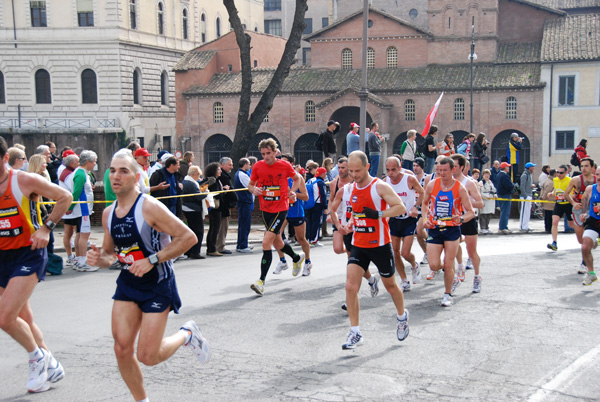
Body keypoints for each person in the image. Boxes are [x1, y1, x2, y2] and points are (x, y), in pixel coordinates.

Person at [86, 151, 210, 402]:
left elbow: (188, 237)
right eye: (112, 170)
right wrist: (100, 260)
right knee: (121, 349)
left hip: (158, 284)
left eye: (123, 171)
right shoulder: (109, 213)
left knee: (148, 356)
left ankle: (187, 334)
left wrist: (153, 259)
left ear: (136, 177)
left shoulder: (150, 207)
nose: (115, 176)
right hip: (128, 284)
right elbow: (111, 254)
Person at [0, 136, 73, 393]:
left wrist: (46, 228)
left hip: (28, 252)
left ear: (5, 159)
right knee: (23, 318)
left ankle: (37, 358)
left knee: (4, 316)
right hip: (2, 257)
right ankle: (50, 362)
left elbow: (65, 196)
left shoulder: (23, 180)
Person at [340, 151, 409, 349]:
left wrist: (379, 213)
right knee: (350, 286)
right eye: (351, 171)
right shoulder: (350, 188)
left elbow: (400, 207)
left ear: (367, 166)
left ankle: (402, 316)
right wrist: (350, 224)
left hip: (380, 245)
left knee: (390, 286)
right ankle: (355, 333)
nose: (354, 174)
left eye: (357, 170)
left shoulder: (379, 186)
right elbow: (355, 213)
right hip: (359, 244)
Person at [247, 138, 304, 295]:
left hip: (281, 208)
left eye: (269, 153)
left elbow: (297, 178)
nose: (266, 157)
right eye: (263, 154)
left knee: (266, 242)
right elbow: (250, 184)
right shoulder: (258, 166)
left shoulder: (284, 165)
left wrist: (293, 190)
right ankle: (296, 258)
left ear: (275, 152)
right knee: (278, 242)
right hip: (266, 208)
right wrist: (253, 190)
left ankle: (260, 282)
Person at [422, 157, 475, 306]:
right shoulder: (432, 185)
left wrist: (462, 219)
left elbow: (470, 212)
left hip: (452, 229)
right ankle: (452, 277)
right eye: (439, 170)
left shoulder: (460, 188)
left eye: (445, 170)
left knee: (448, 263)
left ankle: (447, 294)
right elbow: (424, 203)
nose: (442, 173)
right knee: (433, 265)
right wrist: (425, 218)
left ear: (453, 170)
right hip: (434, 228)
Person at [385, 156, 424, 292]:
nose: (391, 173)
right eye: (388, 170)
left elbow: (423, 192)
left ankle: (414, 265)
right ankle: (404, 280)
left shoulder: (409, 179)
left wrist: (416, 207)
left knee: (405, 253)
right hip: (395, 219)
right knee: (395, 252)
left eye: (393, 169)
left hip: (409, 218)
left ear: (400, 168)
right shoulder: (385, 182)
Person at [273, 154, 313, 276]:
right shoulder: (278, 176)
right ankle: (283, 260)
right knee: (275, 235)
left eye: (285, 162)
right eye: (281, 161)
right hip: (282, 211)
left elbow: (306, 196)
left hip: (295, 211)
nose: (282, 164)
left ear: (290, 164)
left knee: (301, 239)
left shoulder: (298, 177)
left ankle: (307, 262)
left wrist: (293, 194)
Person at [450, 154, 484, 293]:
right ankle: (455, 275)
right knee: (450, 250)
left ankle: (477, 276)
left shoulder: (469, 183)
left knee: (471, 251)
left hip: (468, 219)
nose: (452, 168)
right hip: (452, 220)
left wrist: (464, 203)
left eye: (455, 166)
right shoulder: (445, 182)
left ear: (462, 167)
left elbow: (480, 203)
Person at [565, 158, 596, 273]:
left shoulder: (596, 180)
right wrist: (573, 203)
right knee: (580, 239)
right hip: (578, 211)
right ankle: (591, 244)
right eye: (582, 166)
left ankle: (584, 263)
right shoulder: (576, 180)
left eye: (586, 166)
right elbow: (565, 194)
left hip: (592, 212)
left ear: (592, 167)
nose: (583, 168)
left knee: (586, 240)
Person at [70, 150, 98, 272]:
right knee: (84, 235)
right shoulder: (81, 173)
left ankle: (79, 259)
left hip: (83, 209)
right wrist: (70, 207)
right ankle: (82, 260)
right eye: (94, 162)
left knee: (80, 234)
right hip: (83, 209)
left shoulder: (82, 173)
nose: (95, 164)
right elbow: (76, 192)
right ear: (88, 162)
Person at [578, 168, 600, 286]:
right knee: (585, 247)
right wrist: (584, 213)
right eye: (597, 174)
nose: (599, 177)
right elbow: (585, 199)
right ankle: (591, 273)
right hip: (594, 221)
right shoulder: (591, 188)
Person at [182, 165, 208, 259]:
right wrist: (205, 193)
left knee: (192, 230)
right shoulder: (191, 183)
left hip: (188, 208)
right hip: (193, 209)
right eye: (198, 175)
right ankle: (195, 252)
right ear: (194, 174)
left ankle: (189, 251)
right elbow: (197, 196)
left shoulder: (187, 181)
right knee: (198, 231)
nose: (199, 178)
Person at [59, 153, 80, 268]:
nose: (79, 164)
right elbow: (73, 190)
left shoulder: (66, 172)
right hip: (70, 207)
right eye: (77, 162)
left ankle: (71, 256)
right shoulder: (69, 175)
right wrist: (70, 207)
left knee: (69, 232)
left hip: (67, 206)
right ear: (72, 163)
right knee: (73, 232)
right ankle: (73, 257)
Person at [547, 165, 573, 251]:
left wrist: (568, 197)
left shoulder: (570, 180)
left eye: (561, 173)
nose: (559, 174)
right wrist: (552, 193)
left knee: (572, 224)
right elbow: (556, 189)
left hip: (568, 204)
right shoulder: (555, 179)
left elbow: (574, 193)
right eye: (557, 172)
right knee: (554, 222)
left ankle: (587, 236)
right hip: (559, 204)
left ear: (566, 173)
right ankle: (554, 243)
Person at [216, 157, 237, 255]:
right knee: (223, 227)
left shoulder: (224, 176)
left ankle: (219, 245)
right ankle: (220, 246)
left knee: (222, 226)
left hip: (223, 205)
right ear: (223, 165)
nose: (231, 167)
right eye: (230, 165)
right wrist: (235, 197)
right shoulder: (223, 177)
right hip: (224, 205)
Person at [234, 158, 254, 253]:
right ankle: (242, 245)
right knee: (244, 224)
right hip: (244, 202)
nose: (250, 166)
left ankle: (243, 243)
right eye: (249, 164)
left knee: (244, 223)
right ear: (245, 164)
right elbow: (251, 187)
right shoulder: (242, 175)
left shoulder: (241, 174)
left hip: (245, 202)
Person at [204, 162, 224, 257]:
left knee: (213, 228)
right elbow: (215, 193)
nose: (220, 171)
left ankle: (211, 248)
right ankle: (211, 249)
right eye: (219, 169)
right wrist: (223, 191)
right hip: (215, 206)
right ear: (214, 171)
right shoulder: (213, 180)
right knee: (214, 228)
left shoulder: (214, 180)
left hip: (214, 207)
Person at [305, 167, 328, 246]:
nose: (325, 175)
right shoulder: (321, 183)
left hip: (308, 204)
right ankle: (314, 240)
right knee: (317, 223)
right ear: (322, 173)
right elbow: (323, 196)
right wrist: (325, 207)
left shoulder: (310, 180)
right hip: (317, 205)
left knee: (309, 222)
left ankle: (307, 239)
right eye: (325, 173)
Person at [495, 162, 514, 234]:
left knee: (504, 211)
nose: (508, 168)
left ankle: (504, 226)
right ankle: (503, 227)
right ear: (505, 168)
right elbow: (508, 185)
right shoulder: (504, 176)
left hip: (500, 194)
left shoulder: (499, 175)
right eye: (508, 167)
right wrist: (513, 186)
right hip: (505, 195)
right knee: (505, 212)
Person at [519, 162, 536, 232]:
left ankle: (526, 226)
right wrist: (525, 196)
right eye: (532, 166)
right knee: (524, 212)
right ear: (529, 167)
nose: (533, 168)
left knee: (527, 212)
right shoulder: (525, 175)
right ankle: (522, 227)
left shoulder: (529, 175)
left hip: (528, 195)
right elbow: (522, 187)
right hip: (525, 196)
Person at [479, 169, 497, 234]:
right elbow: (480, 192)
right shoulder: (481, 183)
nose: (487, 176)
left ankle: (487, 227)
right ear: (483, 175)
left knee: (489, 214)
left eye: (488, 174)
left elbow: (494, 190)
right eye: (485, 174)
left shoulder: (490, 182)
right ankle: (482, 228)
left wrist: (495, 195)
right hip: (485, 200)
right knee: (483, 214)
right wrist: (486, 196)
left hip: (490, 201)